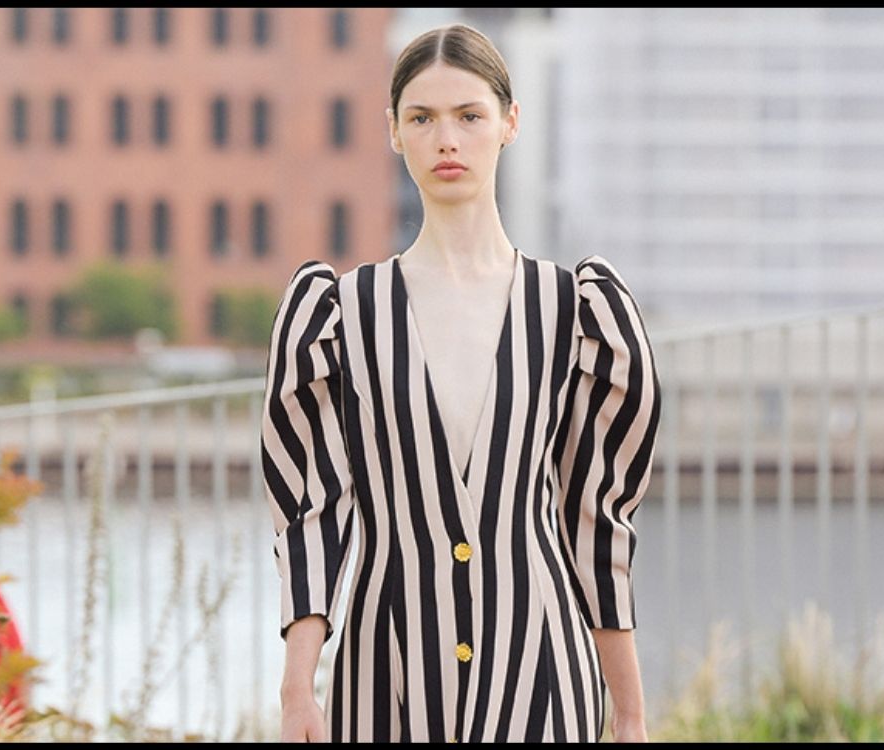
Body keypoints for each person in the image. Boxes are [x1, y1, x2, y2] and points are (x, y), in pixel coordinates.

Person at [261, 23, 661, 743]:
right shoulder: (341, 315)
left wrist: (629, 711)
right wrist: (298, 690)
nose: (447, 140)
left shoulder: (574, 311)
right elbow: (312, 518)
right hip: (386, 675)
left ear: (510, 122)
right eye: (422, 118)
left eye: (469, 116)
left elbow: (597, 522)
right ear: (393, 131)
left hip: (541, 672)